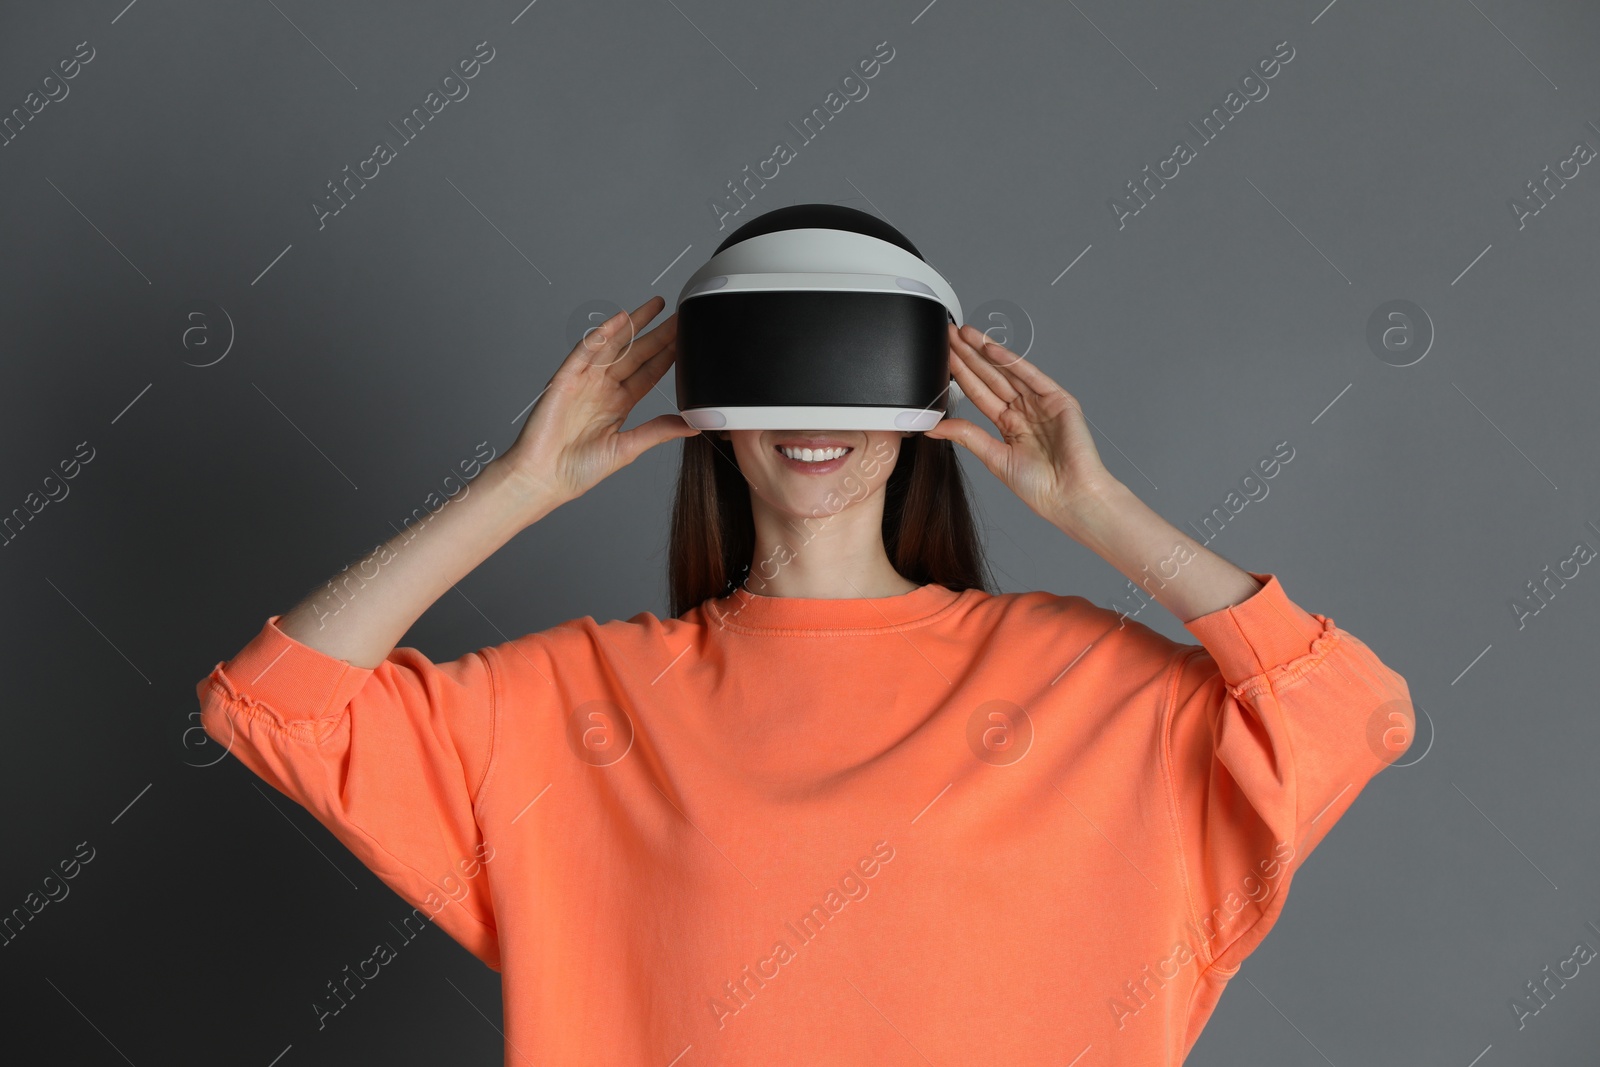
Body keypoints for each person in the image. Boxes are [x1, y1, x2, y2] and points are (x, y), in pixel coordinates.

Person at [195, 295, 1415, 1065]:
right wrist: (522, 485)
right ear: (720, 410)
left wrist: (1098, 511)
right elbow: (274, 705)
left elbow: (1350, 713)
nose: (814, 411)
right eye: (778, 366)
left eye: (849, 363)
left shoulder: (1078, 674)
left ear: (915, 402)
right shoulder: (586, 701)